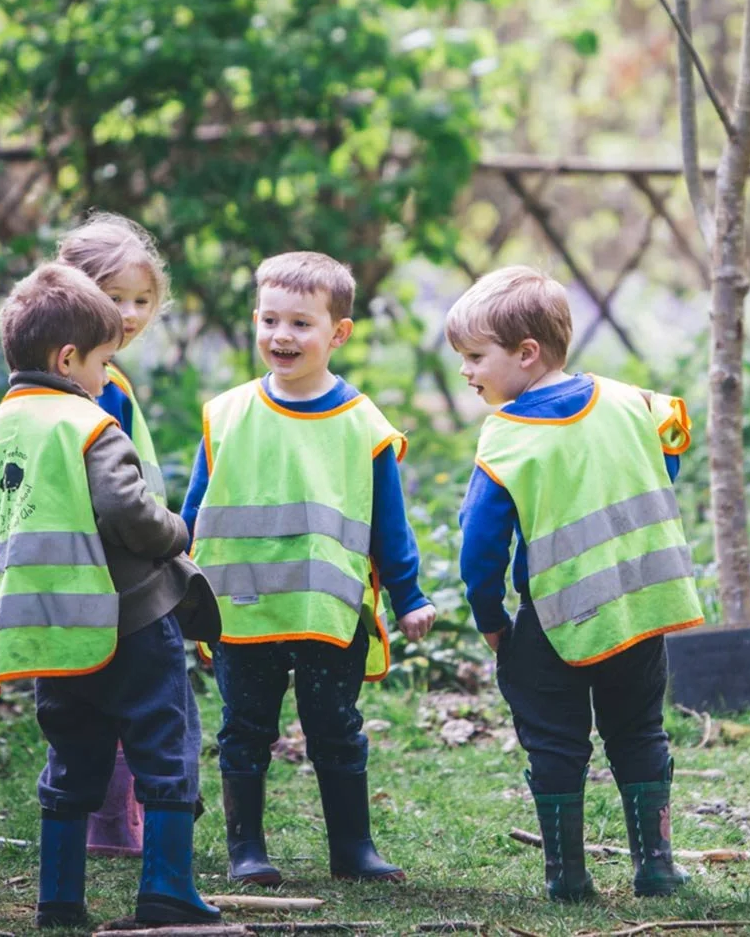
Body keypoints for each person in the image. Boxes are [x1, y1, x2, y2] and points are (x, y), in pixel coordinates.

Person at [0, 262, 221, 930]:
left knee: (72, 755)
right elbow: (128, 510)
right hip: (130, 617)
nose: (108, 378)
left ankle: (58, 898)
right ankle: (167, 889)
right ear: (67, 358)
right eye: (104, 362)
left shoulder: (0, 433)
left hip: (52, 631)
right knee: (166, 743)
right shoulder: (85, 422)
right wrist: (177, 531)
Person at [449, 266, 705, 902]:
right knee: (639, 731)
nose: (466, 372)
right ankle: (656, 867)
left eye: (476, 357)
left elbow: (480, 543)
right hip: (638, 608)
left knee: (555, 743)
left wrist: (490, 617)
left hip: (552, 618)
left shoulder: (508, 436)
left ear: (526, 353)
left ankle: (567, 877)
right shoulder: (631, 400)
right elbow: (670, 453)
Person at [183, 251, 437, 886]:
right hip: (242, 610)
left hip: (329, 610)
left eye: (301, 323)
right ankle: (246, 851)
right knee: (244, 730)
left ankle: (353, 850)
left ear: (338, 332)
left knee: (337, 729)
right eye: (270, 320)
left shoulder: (361, 423)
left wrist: (408, 596)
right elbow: (193, 514)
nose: (282, 336)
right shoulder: (227, 414)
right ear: (255, 321)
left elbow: (388, 522)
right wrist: (174, 583)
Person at [58, 212, 173, 858]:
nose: (129, 314)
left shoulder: (96, 375)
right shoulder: (93, 386)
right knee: (128, 697)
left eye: (140, 300)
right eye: (114, 297)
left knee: (94, 693)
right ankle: (110, 824)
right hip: (116, 562)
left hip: (105, 559)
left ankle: (104, 820)